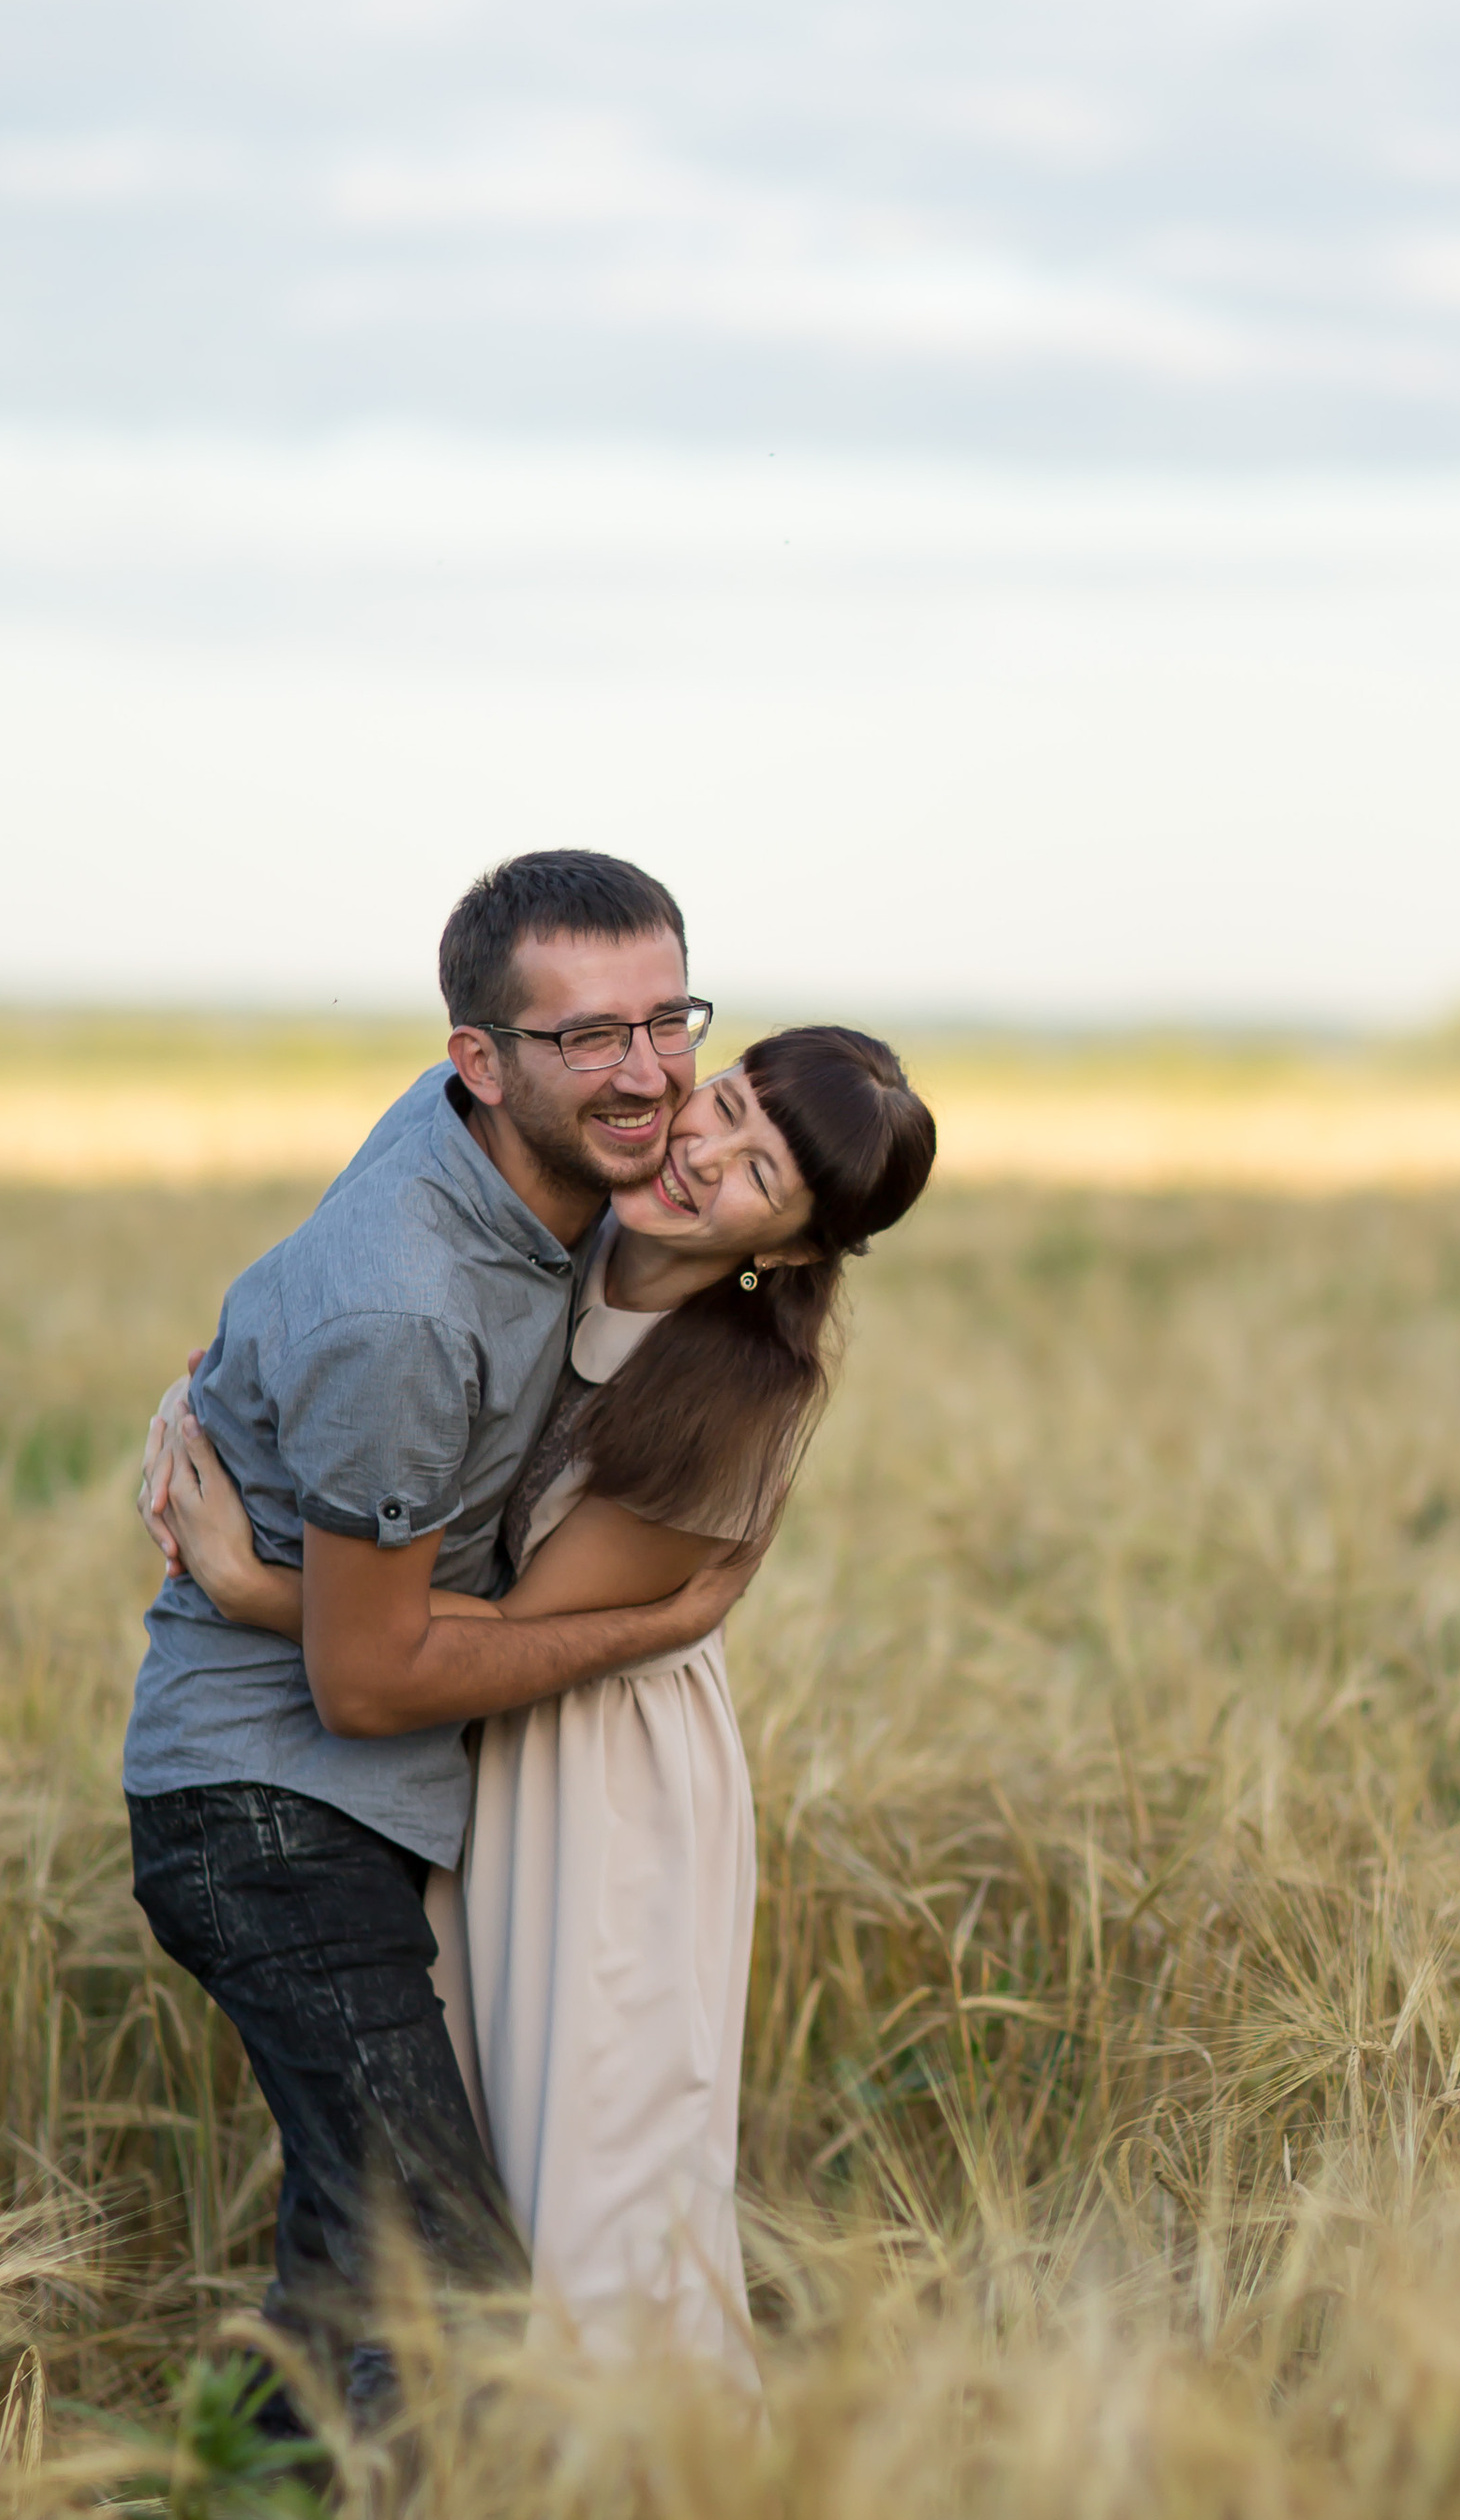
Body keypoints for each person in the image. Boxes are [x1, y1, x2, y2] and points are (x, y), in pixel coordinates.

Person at [146, 1026, 938, 2376]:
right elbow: (366, 1328)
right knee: (465, 2151)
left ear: (792, 1252)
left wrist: (250, 1583)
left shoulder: (735, 1394)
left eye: (758, 1175)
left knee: (598, 2158)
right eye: (727, 1107)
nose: (704, 1159)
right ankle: (388, 2504)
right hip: (466, 1736)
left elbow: (517, 1626)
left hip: (594, 1769)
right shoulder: (548, 1224)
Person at [123, 845, 763, 2423]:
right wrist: (647, 1630)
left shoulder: (536, 1177)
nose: (647, 1074)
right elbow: (366, 1677)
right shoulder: (408, 1302)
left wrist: (235, 1372)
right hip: (272, 1818)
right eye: (585, 1038)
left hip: (357, 1802)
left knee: (354, 2280)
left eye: (665, 1019)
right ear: (474, 1062)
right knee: (450, 2282)